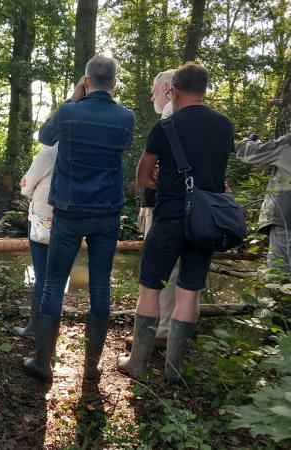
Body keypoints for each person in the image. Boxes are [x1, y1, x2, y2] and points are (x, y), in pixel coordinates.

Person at [23, 55, 136, 387]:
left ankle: (43, 362)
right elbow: (123, 145)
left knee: (54, 285)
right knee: (100, 286)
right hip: (107, 213)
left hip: (69, 213)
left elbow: (45, 136)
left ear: (85, 81)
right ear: (113, 84)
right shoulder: (125, 117)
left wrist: (73, 99)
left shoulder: (70, 112)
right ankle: (91, 367)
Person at [118, 62, 234, 384]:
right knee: (188, 291)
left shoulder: (165, 128)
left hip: (169, 217)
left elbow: (143, 177)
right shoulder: (224, 126)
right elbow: (218, 178)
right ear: (205, 89)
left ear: (173, 90)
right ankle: (173, 370)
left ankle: (137, 363)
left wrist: (167, 183)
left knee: (151, 288)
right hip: (204, 221)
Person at [127, 69, 178, 350]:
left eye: (154, 89)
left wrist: (149, 178)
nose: (151, 95)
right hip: (168, 204)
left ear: (169, 87)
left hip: (165, 206)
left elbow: (149, 173)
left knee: (160, 271)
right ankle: (169, 328)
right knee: (177, 271)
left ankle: (160, 331)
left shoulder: (171, 117)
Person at [13, 143, 58, 338]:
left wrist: (27, 182)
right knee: (57, 276)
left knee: (42, 275)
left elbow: (26, 187)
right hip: (69, 220)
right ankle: (51, 328)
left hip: (43, 220)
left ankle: (35, 327)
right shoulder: (81, 152)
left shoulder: (48, 154)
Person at [237, 134, 291, 278]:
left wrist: (247, 141)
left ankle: (282, 299)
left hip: (285, 217)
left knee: (280, 271)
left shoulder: (287, 143)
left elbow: (247, 153)